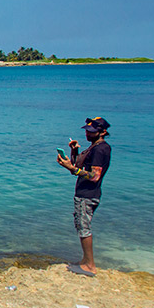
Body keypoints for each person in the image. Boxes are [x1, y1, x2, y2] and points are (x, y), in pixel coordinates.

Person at [56, 116, 112, 276]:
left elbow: (94, 176)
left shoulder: (101, 149)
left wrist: (73, 170)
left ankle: (89, 265)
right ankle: (85, 261)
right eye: (87, 130)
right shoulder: (94, 147)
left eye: (91, 131)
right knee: (81, 226)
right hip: (85, 193)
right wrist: (74, 152)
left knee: (83, 228)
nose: (87, 134)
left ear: (103, 132)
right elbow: (78, 165)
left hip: (88, 195)